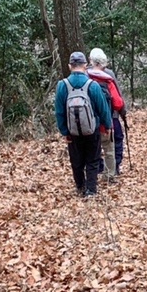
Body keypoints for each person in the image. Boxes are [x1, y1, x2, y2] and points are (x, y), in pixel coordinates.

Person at [55, 53, 111, 198]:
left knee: (76, 160)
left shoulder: (62, 85)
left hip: (72, 132)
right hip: (92, 129)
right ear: (85, 65)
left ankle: (80, 186)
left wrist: (64, 131)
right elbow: (102, 108)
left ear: (69, 66)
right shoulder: (92, 85)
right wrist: (107, 125)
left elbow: (59, 111)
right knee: (92, 159)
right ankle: (91, 190)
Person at [88, 48, 127, 178]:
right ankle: (113, 167)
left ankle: (98, 168)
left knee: (95, 144)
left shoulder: (86, 75)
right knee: (117, 140)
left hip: (91, 120)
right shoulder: (108, 74)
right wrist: (123, 112)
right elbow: (118, 99)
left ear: (90, 60)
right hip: (111, 117)